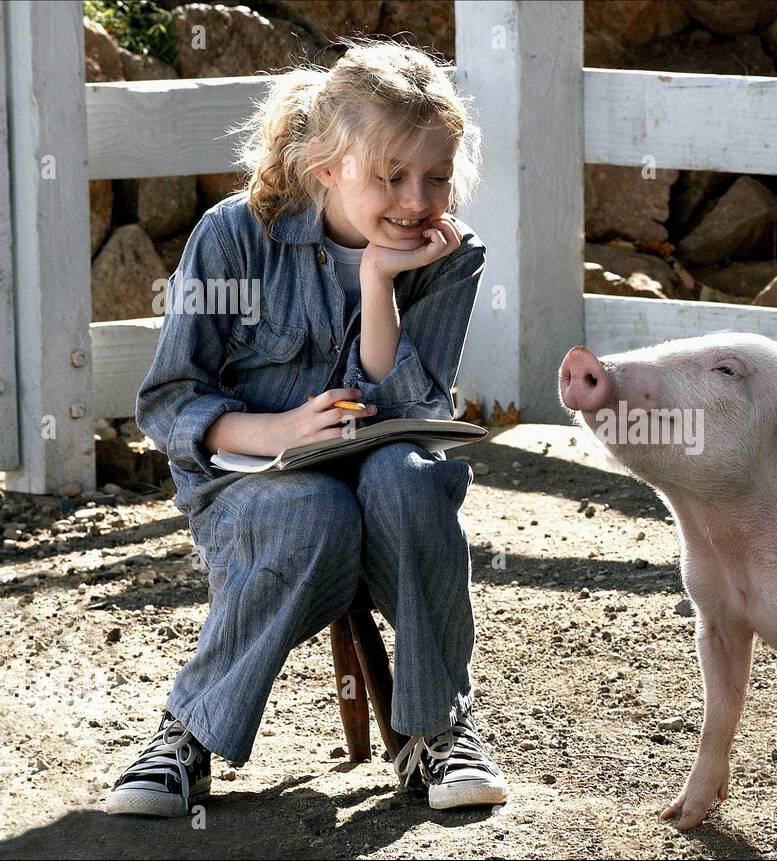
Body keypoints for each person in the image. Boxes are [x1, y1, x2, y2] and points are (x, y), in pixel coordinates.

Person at [106, 39, 506, 817]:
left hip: (386, 491)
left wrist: (379, 280)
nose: (417, 199)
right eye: (391, 176)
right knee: (312, 511)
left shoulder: (450, 257)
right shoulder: (235, 238)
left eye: (436, 175)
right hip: (256, 491)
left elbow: (415, 409)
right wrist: (284, 430)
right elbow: (170, 401)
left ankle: (438, 732)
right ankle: (184, 737)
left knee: (411, 478)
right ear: (326, 166)